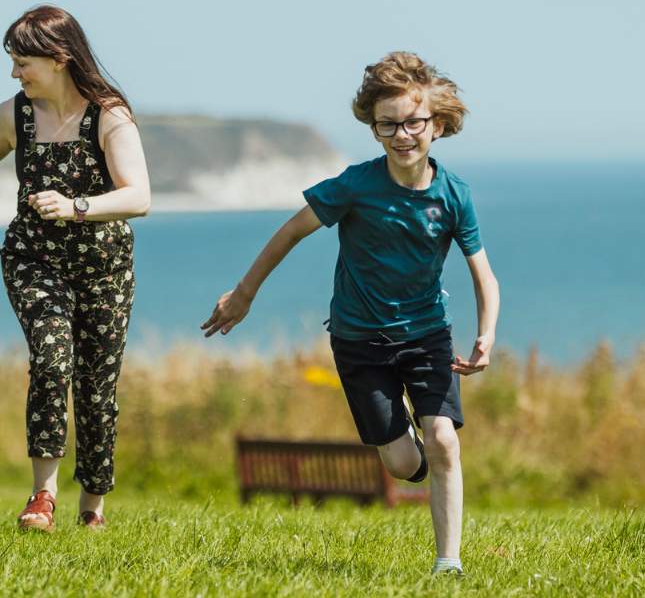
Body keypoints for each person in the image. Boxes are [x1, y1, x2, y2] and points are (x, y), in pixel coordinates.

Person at [202, 51, 499, 576]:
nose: (402, 135)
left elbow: (484, 274)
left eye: (413, 123)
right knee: (404, 463)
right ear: (374, 128)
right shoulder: (355, 186)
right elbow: (291, 232)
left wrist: (486, 335)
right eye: (388, 126)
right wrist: (244, 292)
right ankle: (415, 445)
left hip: (429, 333)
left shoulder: (455, 196)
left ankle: (447, 565)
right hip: (360, 341)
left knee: (445, 440)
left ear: (438, 123)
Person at [0, 5, 152, 531]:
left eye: (22, 61)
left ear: (59, 58)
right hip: (33, 259)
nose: (14, 73)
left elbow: (139, 196)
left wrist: (77, 207)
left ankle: (92, 507)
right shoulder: (13, 115)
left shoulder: (109, 115)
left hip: (104, 269)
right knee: (51, 360)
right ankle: (41, 497)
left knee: (97, 385)